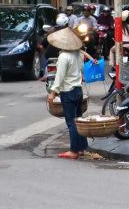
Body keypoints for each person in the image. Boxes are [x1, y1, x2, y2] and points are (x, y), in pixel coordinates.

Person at [46, 26, 95, 160]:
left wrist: (53, 93)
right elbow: (80, 71)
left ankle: (74, 150)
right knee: (79, 120)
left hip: (68, 91)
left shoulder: (64, 56)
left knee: (71, 122)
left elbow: (60, 77)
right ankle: (81, 148)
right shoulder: (78, 53)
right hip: (78, 90)